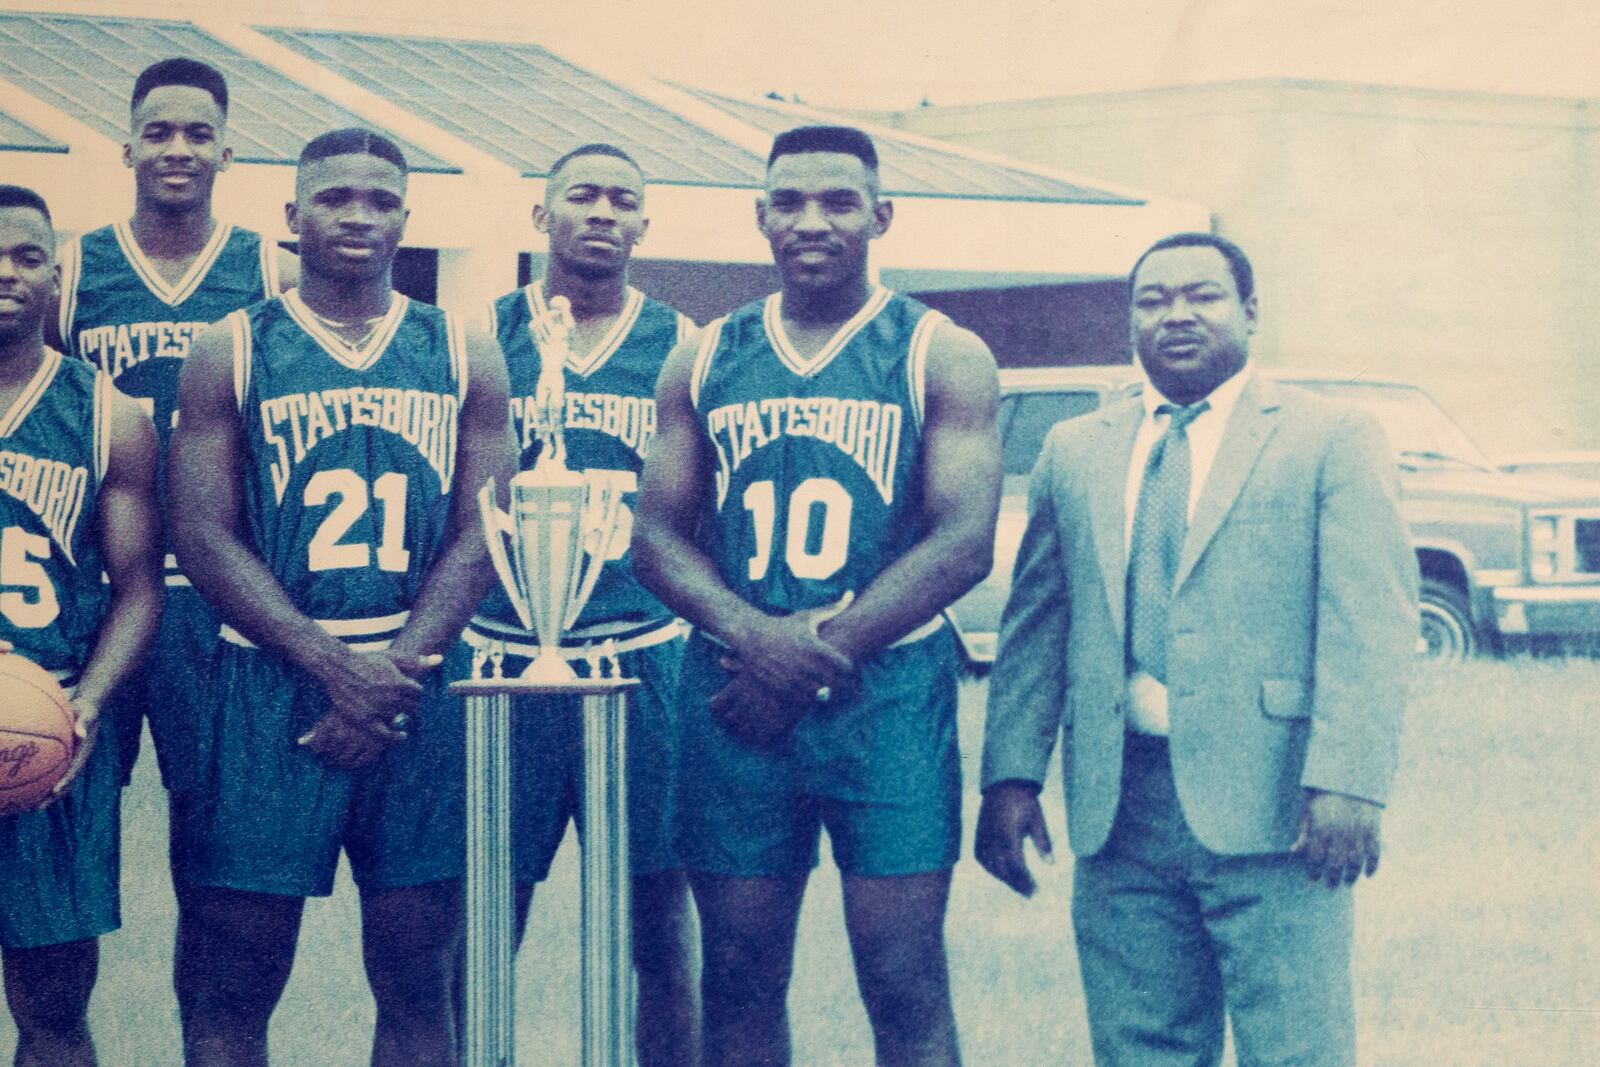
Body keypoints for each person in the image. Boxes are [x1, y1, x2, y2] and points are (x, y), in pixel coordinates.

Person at [975, 232, 1418, 1067]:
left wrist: (1351, 781)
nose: (1177, 314)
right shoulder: (1076, 449)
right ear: (1130, 320)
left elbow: (1373, 625)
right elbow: (1037, 625)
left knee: (1297, 1049)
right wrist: (1010, 774)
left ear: (1251, 312)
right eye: (1153, 299)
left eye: (1203, 296)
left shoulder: (1330, 437)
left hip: (1278, 804)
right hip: (1120, 807)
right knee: (1140, 1047)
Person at [634, 125, 1001, 1067]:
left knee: (904, 973)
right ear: (759, 216)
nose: (813, 221)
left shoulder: (940, 350)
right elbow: (656, 538)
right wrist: (755, 637)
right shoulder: (704, 356)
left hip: (887, 697)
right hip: (732, 694)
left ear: (880, 215)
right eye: (789, 202)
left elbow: (963, 543)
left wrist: (802, 658)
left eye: (838, 201)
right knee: (740, 976)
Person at [166, 128, 512, 1067]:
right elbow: (201, 533)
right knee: (233, 977)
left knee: (416, 974)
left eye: (379, 198)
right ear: (291, 217)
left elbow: (488, 524)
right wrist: (331, 667)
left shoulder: (460, 348)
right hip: (271, 685)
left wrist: (390, 672)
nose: (357, 215)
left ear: (407, 215)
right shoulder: (230, 348)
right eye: (333, 197)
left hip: (419, 684)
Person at [454, 142, 700, 1065]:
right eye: (582, 195)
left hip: (641, 650)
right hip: (503, 654)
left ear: (645, 223)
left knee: (656, 922)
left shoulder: (683, 343)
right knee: (484, 919)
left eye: (622, 199)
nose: (601, 211)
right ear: (542, 216)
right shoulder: (478, 336)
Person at [49, 57, 297, 790]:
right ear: (128, 148)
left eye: (199, 134)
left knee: (214, 830)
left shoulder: (271, 275)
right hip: (101, 582)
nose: (178, 149)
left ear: (227, 151)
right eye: (158, 133)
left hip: (216, 587)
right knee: (69, 793)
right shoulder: (70, 275)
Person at [0, 184, 163, 1067]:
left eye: (28, 257)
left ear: (57, 279)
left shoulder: (108, 414)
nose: (6, 272)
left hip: (42, 735)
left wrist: (89, 706)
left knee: (54, 1007)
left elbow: (140, 588)